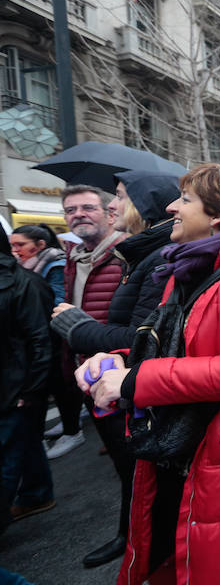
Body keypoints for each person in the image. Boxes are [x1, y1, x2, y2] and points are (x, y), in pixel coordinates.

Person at [77, 164, 220, 584]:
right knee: (177, 556)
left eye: (185, 199)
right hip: (181, 444)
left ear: (218, 213)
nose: (172, 206)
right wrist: (114, 361)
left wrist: (133, 382)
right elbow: (169, 346)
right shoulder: (186, 270)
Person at [48, 170, 179, 568]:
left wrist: (78, 326)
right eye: (72, 209)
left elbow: (141, 336)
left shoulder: (155, 257)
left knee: (142, 474)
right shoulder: (128, 253)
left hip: (128, 383)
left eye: (118, 197)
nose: (109, 206)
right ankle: (133, 538)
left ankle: (141, 545)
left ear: (144, 206)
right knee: (131, 473)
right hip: (104, 377)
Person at [46, 185, 126, 460]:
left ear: (109, 214)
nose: (78, 215)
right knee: (117, 455)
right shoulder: (73, 258)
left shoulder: (128, 253)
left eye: (88, 208)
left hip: (121, 374)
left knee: (134, 466)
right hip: (85, 375)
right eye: (71, 210)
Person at [0, 231, 55, 535]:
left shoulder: (24, 282)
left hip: (16, 385)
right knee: (25, 441)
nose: (17, 249)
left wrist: (32, 388)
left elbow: (40, 339)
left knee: (8, 453)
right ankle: (36, 494)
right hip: (13, 383)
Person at [9, 224, 66, 304]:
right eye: (12, 245)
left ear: (41, 244)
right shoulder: (18, 263)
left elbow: (58, 301)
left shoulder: (56, 266)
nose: (14, 250)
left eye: (21, 244)